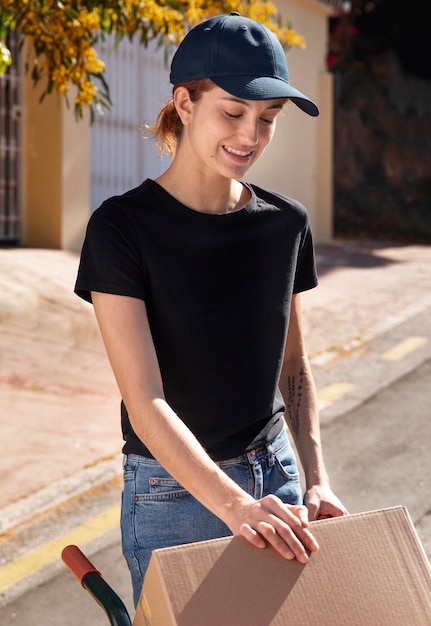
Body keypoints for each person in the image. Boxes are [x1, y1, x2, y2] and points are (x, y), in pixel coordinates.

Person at [75, 12, 348, 606]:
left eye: (268, 119)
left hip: (275, 474)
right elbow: (144, 400)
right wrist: (233, 505)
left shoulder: (286, 225)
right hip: (173, 495)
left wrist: (317, 478)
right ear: (185, 101)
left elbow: (293, 369)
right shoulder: (121, 230)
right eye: (233, 111)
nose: (250, 135)